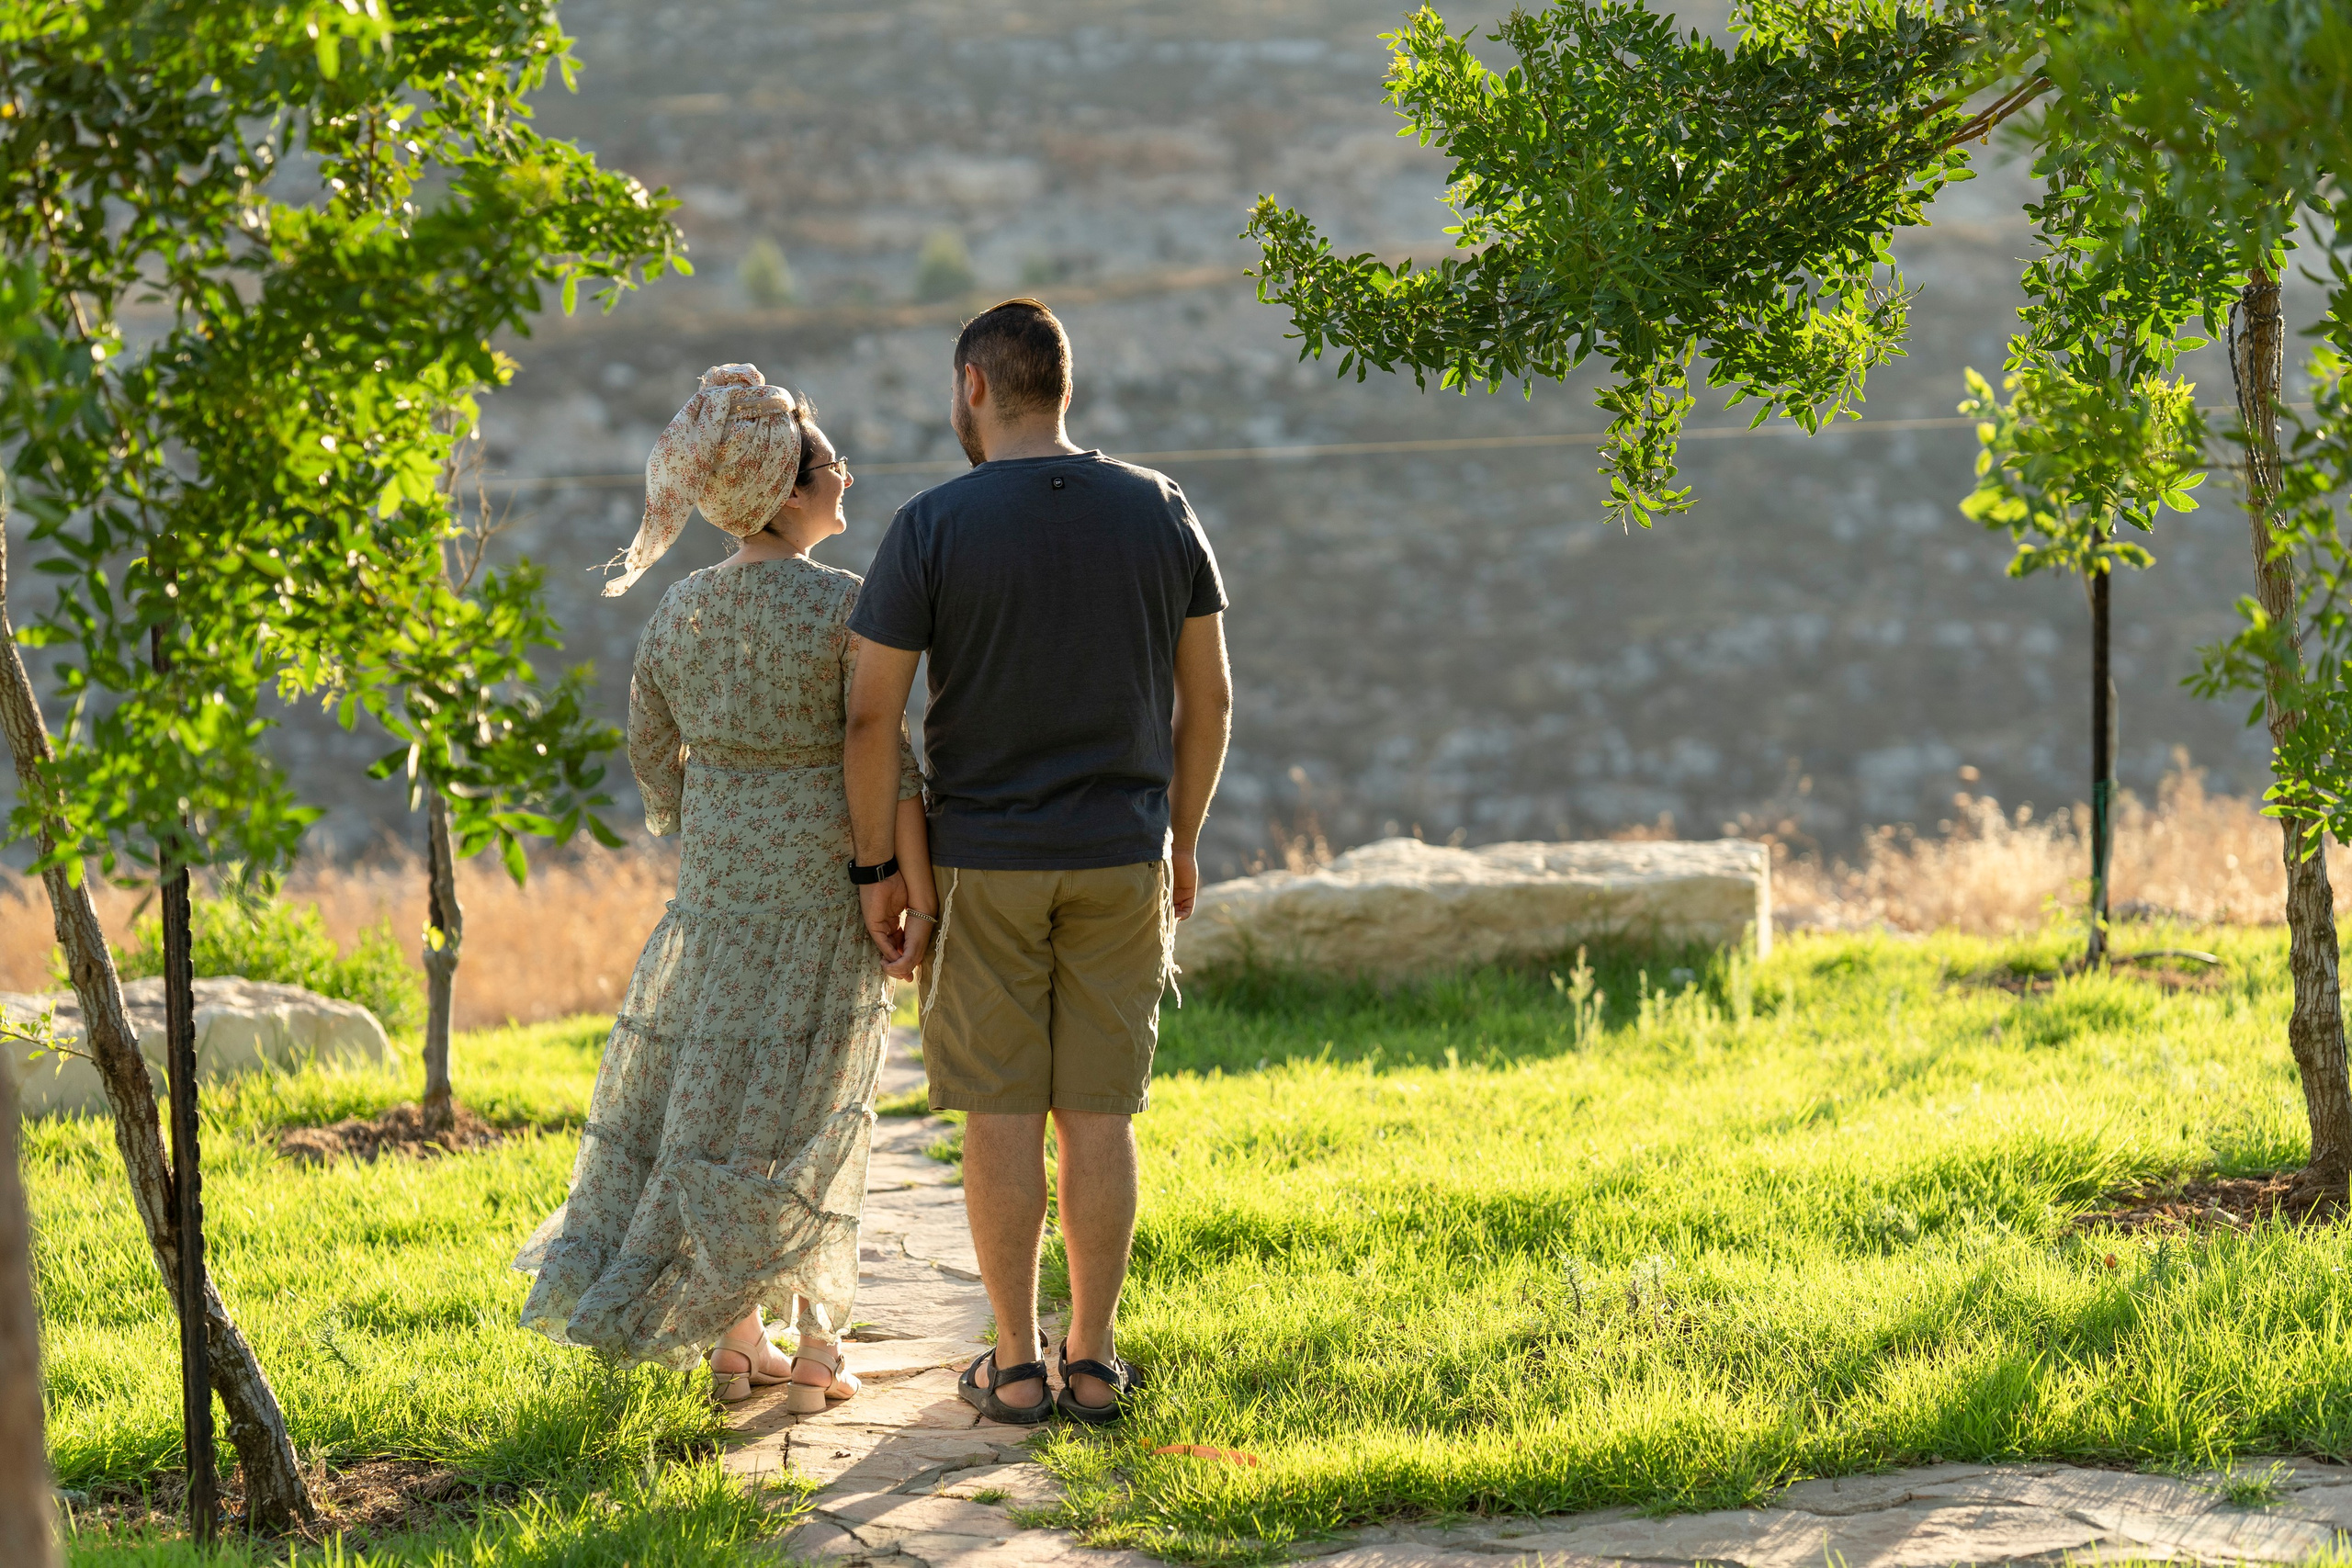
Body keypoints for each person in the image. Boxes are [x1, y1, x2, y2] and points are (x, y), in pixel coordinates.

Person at [514, 364, 933, 1412]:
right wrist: (909, 885)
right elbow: (883, 756)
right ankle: (819, 1347)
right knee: (819, 1108)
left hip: (717, 893)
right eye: (830, 465)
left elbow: (651, 753)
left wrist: (707, 800)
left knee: (712, 1107)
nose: (845, 477)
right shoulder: (848, 607)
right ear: (789, 493)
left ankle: (735, 1340)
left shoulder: (681, 612)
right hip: (824, 891)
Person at [842, 299, 1233, 1425]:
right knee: (1098, 1114)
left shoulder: (931, 525)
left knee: (1000, 1110)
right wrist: (1186, 839)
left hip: (981, 863)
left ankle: (1014, 1364)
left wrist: (881, 872)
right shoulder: (1159, 508)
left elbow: (872, 716)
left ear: (973, 385)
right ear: (1063, 386)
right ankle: (1096, 1360)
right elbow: (1206, 697)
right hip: (1121, 855)